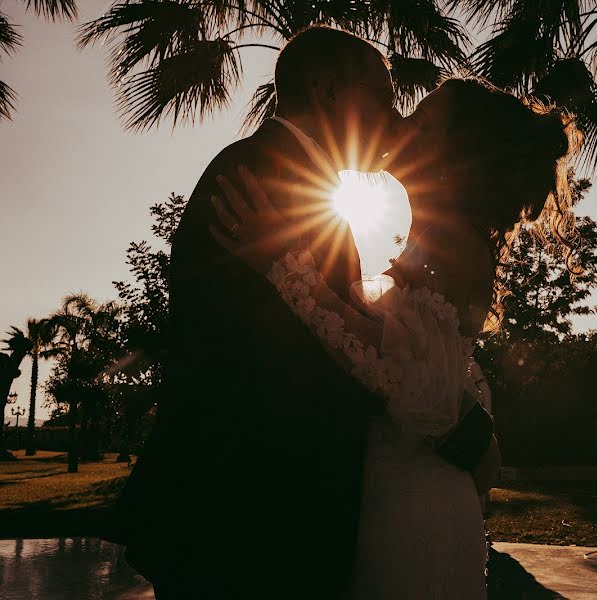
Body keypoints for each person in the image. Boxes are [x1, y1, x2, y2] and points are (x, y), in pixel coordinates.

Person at [113, 28, 494, 599]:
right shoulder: (263, 178)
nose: (394, 116)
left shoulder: (299, 185)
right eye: (381, 94)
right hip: (243, 516)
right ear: (327, 90)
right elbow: (283, 358)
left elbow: (341, 338)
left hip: (263, 515)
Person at [210, 77, 578, 599]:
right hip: (400, 482)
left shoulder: (452, 240)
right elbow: (439, 364)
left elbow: (407, 377)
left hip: (415, 496)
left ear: (454, 154)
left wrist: (283, 265)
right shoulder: (435, 238)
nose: (401, 125)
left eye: (421, 123)